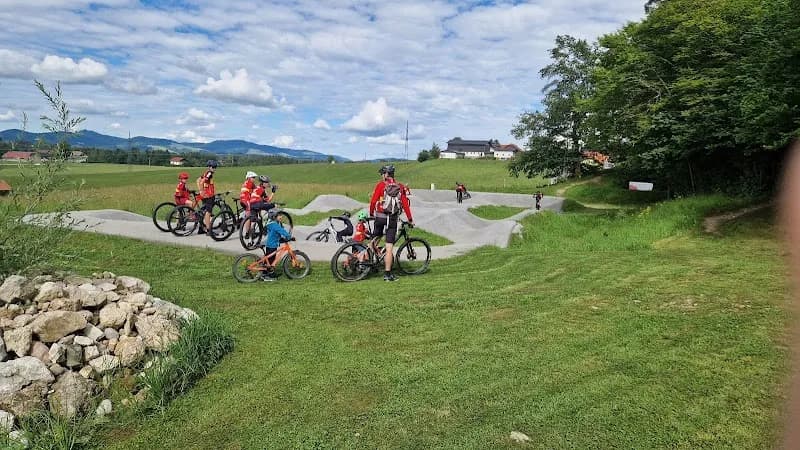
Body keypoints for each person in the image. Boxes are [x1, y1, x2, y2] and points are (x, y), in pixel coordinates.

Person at [369, 164, 413, 282]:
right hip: (391, 219)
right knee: (389, 247)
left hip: (379, 217)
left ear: (386, 174)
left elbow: (373, 201)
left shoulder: (381, 185)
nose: (382, 176)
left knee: (374, 240)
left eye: (382, 174)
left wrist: (371, 214)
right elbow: (405, 204)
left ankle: (366, 262)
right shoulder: (400, 187)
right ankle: (387, 274)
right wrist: (410, 219)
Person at [261, 208, 293, 281]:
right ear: (274, 217)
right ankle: (266, 276)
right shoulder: (274, 225)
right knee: (271, 260)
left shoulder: (271, 223)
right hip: (272, 245)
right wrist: (289, 236)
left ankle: (268, 273)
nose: (281, 217)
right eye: (279, 216)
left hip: (271, 244)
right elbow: (281, 231)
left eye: (281, 215)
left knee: (269, 260)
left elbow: (278, 232)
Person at [197, 160, 217, 235]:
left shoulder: (206, 172)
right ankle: (209, 230)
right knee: (208, 212)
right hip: (208, 196)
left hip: (205, 196)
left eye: (215, 167)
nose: (214, 168)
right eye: (213, 167)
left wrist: (201, 191)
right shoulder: (209, 174)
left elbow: (198, 180)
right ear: (209, 167)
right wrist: (202, 191)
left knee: (204, 211)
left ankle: (201, 228)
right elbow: (202, 182)